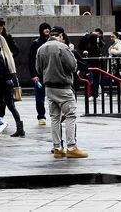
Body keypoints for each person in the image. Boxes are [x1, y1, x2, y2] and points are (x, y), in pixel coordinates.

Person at [36, 26, 86, 158]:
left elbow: (38, 68)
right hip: (63, 87)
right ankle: (71, 147)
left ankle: (57, 147)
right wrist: (71, 51)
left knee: (54, 118)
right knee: (71, 115)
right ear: (61, 36)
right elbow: (73, 66)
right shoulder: (63, 47)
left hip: (49, 87)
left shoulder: (41, 48)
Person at [29, 22, 52, 125]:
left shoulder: (52, 42)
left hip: (51, 73)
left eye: (48, 28)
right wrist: (33, 75)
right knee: (39, 97)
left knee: (54, 95)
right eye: (45, 28)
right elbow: (31, 60)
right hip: (40, 74)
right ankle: (41, 116)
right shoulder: (36, 43)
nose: (47, 30)